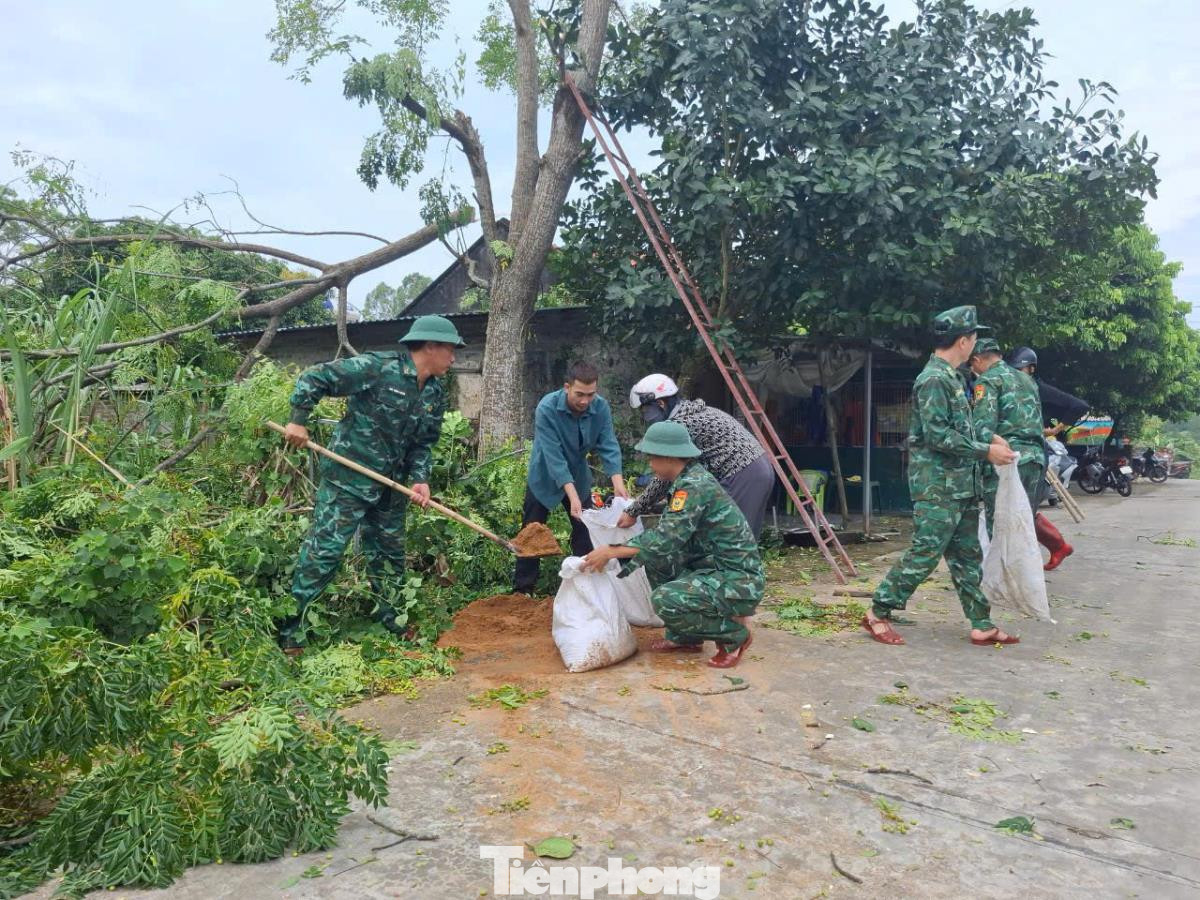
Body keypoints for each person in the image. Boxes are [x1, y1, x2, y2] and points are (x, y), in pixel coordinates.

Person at [278, 314, 465, 648]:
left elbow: (423, 443)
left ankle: (393, 623)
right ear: (430, 346)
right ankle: (293, 631)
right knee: (325, 553)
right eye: (450, 350)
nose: (453, 358)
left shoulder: (435, 393)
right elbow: (316, 377)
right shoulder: (378, 368)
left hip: (391, 487)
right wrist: (298, 420)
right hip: (348, 480)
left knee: (389, 557)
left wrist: (420, 479)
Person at [863, 306, 1019, 648]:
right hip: (938, 486)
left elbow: (958, 427)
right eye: (974, 338)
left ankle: (981, 623)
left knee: (967, 556)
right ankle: (878, 611)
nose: (975, 344)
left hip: (960, 485)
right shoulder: (933, 379)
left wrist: (991, 439)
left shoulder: (952, 377)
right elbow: (937, 436)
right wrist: (985, 451)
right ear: (963, 341)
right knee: (926, 552)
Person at [580, 421, 764, 669]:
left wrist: (611, 551)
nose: (650, 464)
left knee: (665, 599)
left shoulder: (693, 486)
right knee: (657, 560)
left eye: (652, 458)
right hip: (715, 567)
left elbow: (666, 539)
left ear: (668, 457)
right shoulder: (685, 480)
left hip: (739, 580)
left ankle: (734, 636)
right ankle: (686, 637)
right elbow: (666, 542)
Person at [513, 361, 628, 594]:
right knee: (532, 531)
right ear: (567, 387)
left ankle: (585, 587)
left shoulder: (600, 407)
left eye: (590, 394)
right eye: (579, 394)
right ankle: (523, 591)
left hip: (579, 475)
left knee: (584, 531)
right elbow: (554, 458)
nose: (585, 401)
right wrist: (572, 497)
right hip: (544, 475)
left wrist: (618, 483)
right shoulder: (547, 408)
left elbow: (608, 444)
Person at [622, 374, 776, 537]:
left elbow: (664, 476)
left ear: (661, 403)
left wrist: (633, 511)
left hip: (742, 474)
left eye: (646, 410)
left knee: (732, 538)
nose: (645, 417)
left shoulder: (680, 425)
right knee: (742, 536)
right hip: (758, 468)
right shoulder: (692, 412)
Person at [1003, 346, 1075, 569]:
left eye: (1020, 369)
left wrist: (1057, 429)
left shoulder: (1037, 387)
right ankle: (1058, 547)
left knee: (1023, 512)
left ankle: (1049, 551)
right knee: (1022, 510)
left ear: (1031, 369)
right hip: (1018, 455)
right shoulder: (1012, 388)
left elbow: (1078, 405)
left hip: (1032, 456)